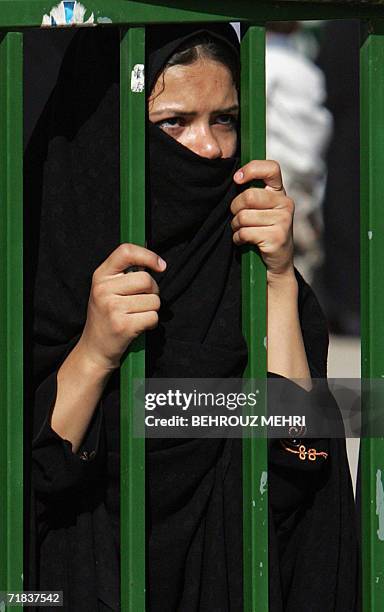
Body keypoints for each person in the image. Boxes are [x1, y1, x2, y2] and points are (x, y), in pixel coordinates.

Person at [25, 24, 358, 611]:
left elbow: (297, 464)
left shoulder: (251, 270)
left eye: (225, 119)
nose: (209, 148)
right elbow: (33, 483)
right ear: (111, 127)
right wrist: (95, 350)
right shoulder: (39, 273)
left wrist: (278, 282)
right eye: (174, 122)